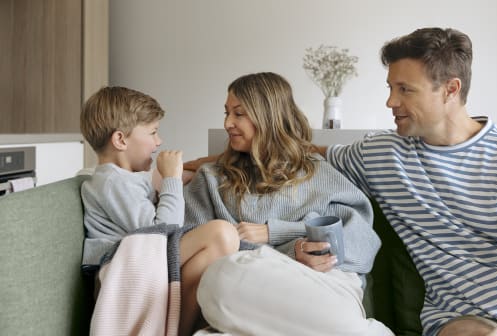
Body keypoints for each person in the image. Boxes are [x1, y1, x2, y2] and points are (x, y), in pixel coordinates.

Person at [309, 28, 497, 336]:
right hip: (460, 319)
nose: (390, 101)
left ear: (451, 89)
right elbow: (303, 153)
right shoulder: (380, 154)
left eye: (405, 89)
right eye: (390, 88)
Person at [183, 72, 392, 336]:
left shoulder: (318, 172)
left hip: (322, 283)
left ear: (268, 116)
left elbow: (360, 244)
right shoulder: (212, 178)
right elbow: (195, 255)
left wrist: (277, 234)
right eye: (226, 113)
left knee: (223, 279)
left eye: (239, 114)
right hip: (248, 289)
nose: (227, 123)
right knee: (221, 276)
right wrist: (287, 253)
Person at [80, 86, 239, 336]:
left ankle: (183, 328)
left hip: (140, 260)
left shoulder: (127, 178)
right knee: (221, 234)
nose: (159, 141)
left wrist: (193, 170)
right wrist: (172, 179)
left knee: (214, 249)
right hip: (122, 267)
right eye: (153, 132)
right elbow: (162, 231)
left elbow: (156, 184)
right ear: (120, 140)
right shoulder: (111, 183)